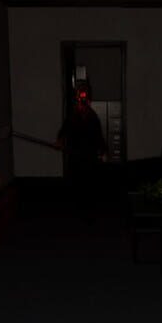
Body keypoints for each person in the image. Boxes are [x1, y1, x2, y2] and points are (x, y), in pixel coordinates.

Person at [55, 85, 108, 221]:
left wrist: (103, 151)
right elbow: (64, 130)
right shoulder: (72, 117)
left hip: (89, 155)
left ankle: (89, 210)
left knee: (89, 183)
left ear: (88, 102)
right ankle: (77, 211)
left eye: (85, 101)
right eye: (80, 101)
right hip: (75, 155)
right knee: (76, 182)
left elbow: (98, 136)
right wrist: (60, 141)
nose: (82, 105)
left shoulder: (93, 117)